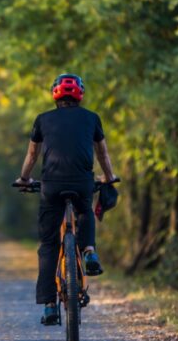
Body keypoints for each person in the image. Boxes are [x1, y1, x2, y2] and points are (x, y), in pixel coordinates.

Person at [14, 74, 118, 325]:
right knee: (85, 209)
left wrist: (24, 178)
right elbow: (101, 152)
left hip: (51, 185)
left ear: (55, 95)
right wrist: (109, 176)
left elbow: (32, 155)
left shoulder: (43, 119)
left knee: (49, 244)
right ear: (80, 94)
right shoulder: (92, 118)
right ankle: (90, 252)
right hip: (82, 182)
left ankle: (50, 306)